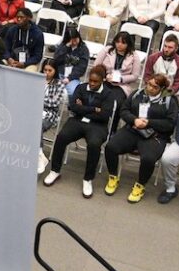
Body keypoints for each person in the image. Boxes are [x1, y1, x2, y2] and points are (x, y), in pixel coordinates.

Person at [44, 65, 123, 195]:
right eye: (90, 80)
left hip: (98, 125)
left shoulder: (109, 94)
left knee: (94, 145)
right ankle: (55, 170)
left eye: (95, 81)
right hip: (77, 120)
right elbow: (73, 107)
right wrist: (94, 109)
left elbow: (104, 115)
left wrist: (84, 108)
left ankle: (88, 179)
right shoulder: (81, 87)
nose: (91, 83)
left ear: (102, 80)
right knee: (61, 137)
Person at [102, 73, 179, 203]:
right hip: (133, 130)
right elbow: (124, 110)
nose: (149, 88)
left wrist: (149, 122)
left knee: (148, 158)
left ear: (161, 88)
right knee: (111, 147)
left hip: (155, 135)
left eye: (154, 87)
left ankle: (140, 185)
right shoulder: (137, 94)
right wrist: (134, 120)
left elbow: (170, 123)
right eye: (148, 84)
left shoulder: (169, 101)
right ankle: (113, 177)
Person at [94, 31, 141, 96]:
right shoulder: (107, 50)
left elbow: (135, 76)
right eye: (117, 42)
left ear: (128, 44)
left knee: (114, 98)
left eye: (123, 43)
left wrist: (121, 79)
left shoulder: (134, 56)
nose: (119, 44)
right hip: (104, 81)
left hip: (122, 85)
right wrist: (105, 75)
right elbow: (96, 66)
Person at [4, 7, 44, 71]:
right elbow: (5, 48)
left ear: (29, 18)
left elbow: (37, 56)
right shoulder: (12, 30)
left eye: (22, 17)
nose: (19, 19)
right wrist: (9, 58)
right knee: (1, 64)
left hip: (29, 63)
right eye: (17, 17)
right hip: (12, 60)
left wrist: (24, 63)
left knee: (29, 71)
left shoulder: (38, 34)